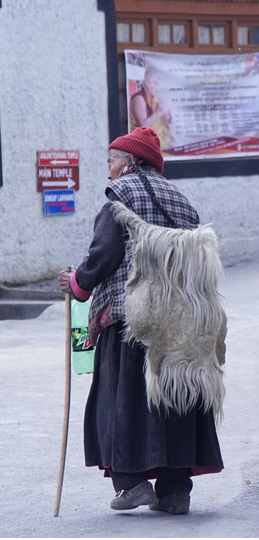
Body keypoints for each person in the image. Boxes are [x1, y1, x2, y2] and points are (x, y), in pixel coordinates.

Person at [57, 127, 223, 515]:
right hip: (183, 321)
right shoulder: (183, 202)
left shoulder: (122, 196)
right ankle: (175, 491)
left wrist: (76, 283)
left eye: (112, 161)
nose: (109, 171)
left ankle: (132, 483)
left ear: (131, 162)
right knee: (176, 398)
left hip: (133, 316)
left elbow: (104, 253)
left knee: (122, 400)